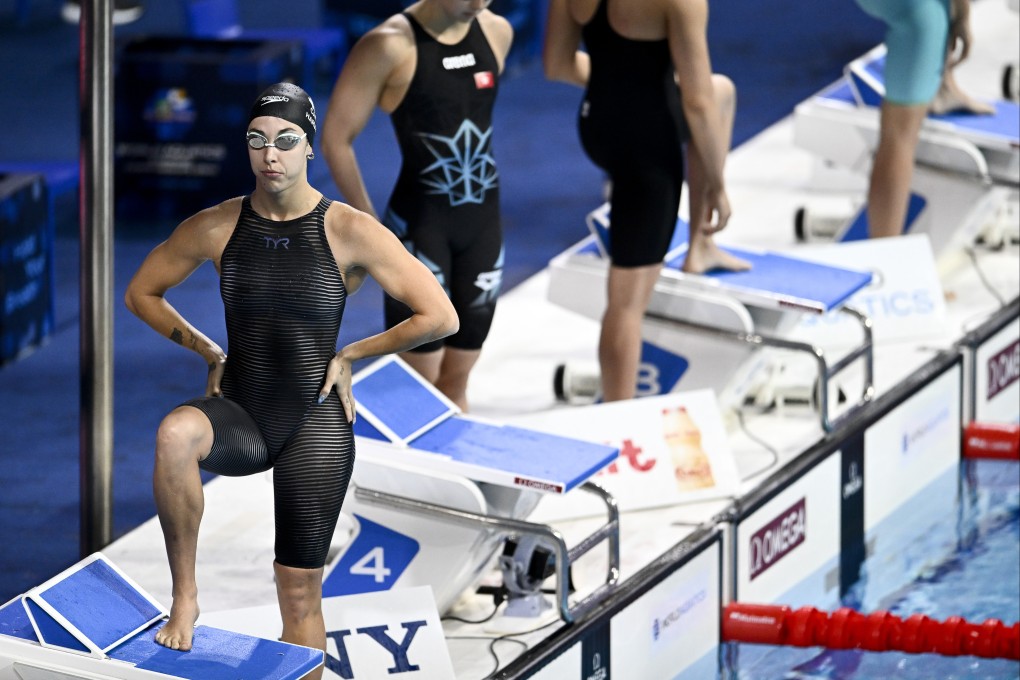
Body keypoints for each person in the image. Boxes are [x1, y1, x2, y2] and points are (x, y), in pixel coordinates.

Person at [124, 82, 458, 676]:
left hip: (315, 420)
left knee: (299, 591)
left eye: (284, 141)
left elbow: (439, 316)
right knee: (176, 434)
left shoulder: (351, 230)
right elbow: (142, 292)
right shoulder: (217, 225)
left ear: (308, 149)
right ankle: (185, 596)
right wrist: (206, 348)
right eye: (256, 141)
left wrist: (353, 352)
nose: (269, 154)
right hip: (243, 411)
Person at [543, 0, 748, 402]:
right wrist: (718, 186)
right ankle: (620, 416)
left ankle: (700, 247)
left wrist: (617, 82)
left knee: (724, 91)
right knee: (626, 303)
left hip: (597, 124)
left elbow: (557, 66)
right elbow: (697, 100)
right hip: (647, 145)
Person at [320, 0, 513, 412]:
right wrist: (366, 227)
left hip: (483, 227)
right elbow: (336, 137)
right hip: (420, 228)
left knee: (459, 377)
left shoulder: (496, 32)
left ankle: (450, 472)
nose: (479, 3)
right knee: (418, 391)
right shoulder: (389, 45)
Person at [855, 0, 994, 238]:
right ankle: (885, 253)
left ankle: (943, 86)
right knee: (898, 139)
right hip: (915, 12)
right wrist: (961, 16)